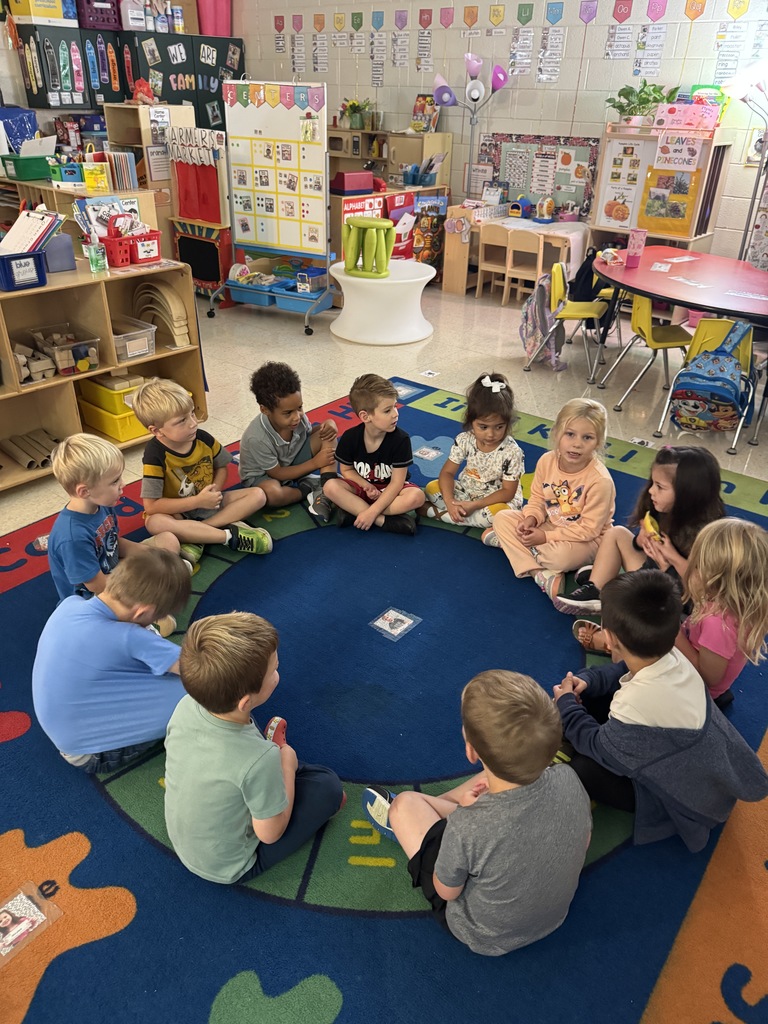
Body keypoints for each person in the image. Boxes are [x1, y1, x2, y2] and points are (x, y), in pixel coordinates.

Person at [361, 670, 592, 956]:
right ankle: (433, 817)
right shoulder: (569, 777)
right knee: (487, 784)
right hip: (554, 916)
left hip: (482, 932)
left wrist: (465, 820)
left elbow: (447, 892)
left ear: (471, 750)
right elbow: (583, 842)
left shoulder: (468, 827)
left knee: (403, 804)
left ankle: (413, 827)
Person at [553, 569, 768, 852]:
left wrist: (566, 705)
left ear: (610, 639)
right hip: (694, 761)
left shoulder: (636, 702)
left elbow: (599, 747)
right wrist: (588, 681)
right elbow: (622, 668)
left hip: (685, 800)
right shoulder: (673, 654)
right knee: (593, 696)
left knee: (584, 768)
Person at [163, 612, 344, 884]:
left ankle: (274, 772)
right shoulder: (258, 760)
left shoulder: (186, 706)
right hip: (232, 866)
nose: (277, 673)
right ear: (245, 701)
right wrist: (286, 762)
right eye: (274, 670)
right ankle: (296, 779)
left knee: (259, 758)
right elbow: (270, 834)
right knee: (326, 785)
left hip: (190, 844)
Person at [32, 548, 191, 773]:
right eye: (155, 618)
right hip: (92, 754)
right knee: (201, 693)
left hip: (66, 734)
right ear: (142, 612)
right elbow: (195, 668)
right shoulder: (129, 636)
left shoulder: (69, 605)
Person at [555, 446, 725, 652]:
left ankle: (615, 644)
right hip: (653, 575)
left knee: (627, 607)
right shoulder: (667, 509)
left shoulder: (708, 536)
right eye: (653, 483)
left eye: (660, 487)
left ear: (687, 494)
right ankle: (596, 588)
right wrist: (641, 540)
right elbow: (643, 552)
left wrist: (668, 563)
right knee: (617, 534)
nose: (652, 491)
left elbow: (696, 598)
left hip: (676, 603)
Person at [487, 398, 615, 601]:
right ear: (556, 434)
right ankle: (538, 573)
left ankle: (514, 546)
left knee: (560, 558)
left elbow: (589, 530)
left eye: (587, 437)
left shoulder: (600, 481)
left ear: (598, 443)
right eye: (570, 434)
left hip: (588, 540)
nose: (577, 444)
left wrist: (544, 537)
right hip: (549, 525)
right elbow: (537, 498)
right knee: (502, 517)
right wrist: (531, 519)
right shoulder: (547, 460)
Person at [132, 377, 272, 556]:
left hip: (210, 505)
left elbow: (222, 466)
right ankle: (225, 536)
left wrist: (214, 491)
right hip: (179, 512)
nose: (193, 422)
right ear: (157, 431)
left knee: (258, 495)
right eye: (182, 420)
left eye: (192, 413)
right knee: (154, 522)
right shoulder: (155, 455)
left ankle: (197, 535)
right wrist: (197, 501)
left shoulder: (203, 438)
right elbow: (151, 506)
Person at [47, 433, 183, 602]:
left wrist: (156, 556)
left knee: (168, 541)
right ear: (84, 491)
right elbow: (98, 587)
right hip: (93, 599)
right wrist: (144, 588)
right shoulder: (72, 537)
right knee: (157, 614)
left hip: (114, 569)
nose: (123, 484)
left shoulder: (102, 504)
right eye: (114, 481)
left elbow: (115, 544)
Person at [675, 518, 768, 711]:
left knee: (634, 641)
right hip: (695, 648)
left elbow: (707, 678)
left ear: (718, 580)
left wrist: (672, 635)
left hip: (695, 692)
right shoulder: (732, 603)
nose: (691, 568)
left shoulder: (718, 623)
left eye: (698, 566)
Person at [322, 374, 424, 535]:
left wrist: (371, 511)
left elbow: (397, 483)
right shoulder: (350, 438)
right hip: (362, 490)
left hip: (390, 490)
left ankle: (356, 512)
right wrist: (365, 484)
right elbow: (346, 471)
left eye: (395, 407)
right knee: (330, 487)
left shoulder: (401, 440)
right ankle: (384, 521)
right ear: (365, 416)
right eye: (387, 410)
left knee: (417, 497)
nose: (395, 414)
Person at [420, 372, 524, 529]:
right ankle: (457, 513)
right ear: (471, 421)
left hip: (495, 500)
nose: (490, 434)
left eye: (499, 427)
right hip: (467, 490)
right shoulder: (464, 439)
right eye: (483, 427)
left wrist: (475, 505)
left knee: (501, 514)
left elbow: (508, 492)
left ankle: (441, 515)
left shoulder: (512, 452)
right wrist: (449, 502)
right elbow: (447, 473)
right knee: (432, 488)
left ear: (508, 423)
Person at [239, 361, 338, 523]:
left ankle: (328, 487)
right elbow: (276, 473)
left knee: (327, 435)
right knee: (272, 495)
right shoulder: (256, 438)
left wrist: (328, 424)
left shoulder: (297, 419)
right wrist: (314, 463)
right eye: (288, 413)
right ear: (265, 410)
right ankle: (306, 489)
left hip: (292, 460)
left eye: (300, 408)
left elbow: (309, 434)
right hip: (265, 476)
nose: (297, 416)